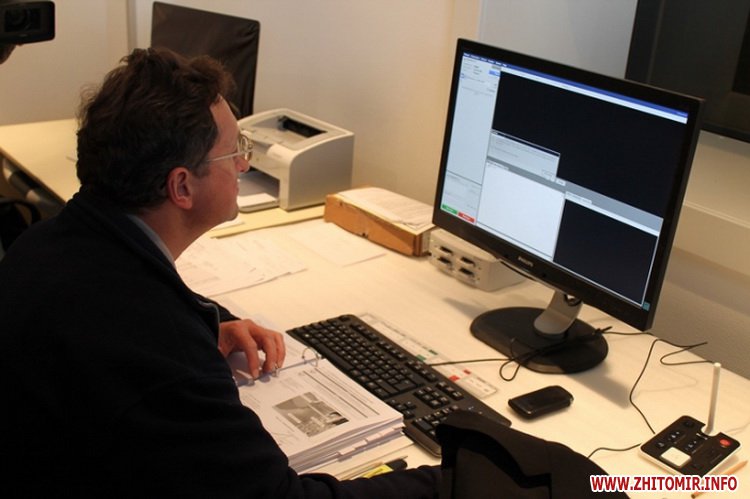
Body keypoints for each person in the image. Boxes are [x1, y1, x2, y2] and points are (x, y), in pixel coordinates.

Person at [0, 47, 440, 497]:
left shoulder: (45, 244)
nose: (244, 165)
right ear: (182, 186)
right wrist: (451, 481)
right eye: (234, 152)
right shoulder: (160, 351)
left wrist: (210, 321)